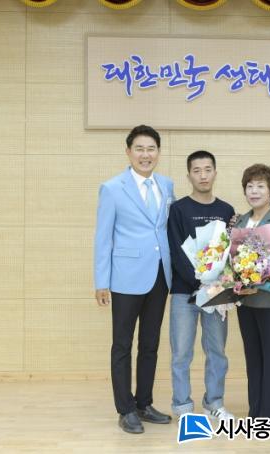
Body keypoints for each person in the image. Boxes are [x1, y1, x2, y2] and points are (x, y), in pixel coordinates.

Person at [94, 125, 174, 434]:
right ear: (128, 152)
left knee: (150, 344)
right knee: (122, 345)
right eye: (139, 148)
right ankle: (125, 409)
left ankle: (144, 403)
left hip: (160, 275)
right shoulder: (112, 188)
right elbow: (103, 238)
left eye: (151, 148)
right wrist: (101, 281)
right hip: (125, 277)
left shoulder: (166, 185)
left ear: (158, 152)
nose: (145, 154)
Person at [167, 150, 235, 421]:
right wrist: (199, 281)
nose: (203, 175)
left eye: (207, 169)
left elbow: (230, 252)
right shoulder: (178, 209)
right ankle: (183, 407)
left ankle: (214, 403)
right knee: (181, 353)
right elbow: (176, 251)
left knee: (217, 350)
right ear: (189, 176)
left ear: (215, 173)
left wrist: (217, 283)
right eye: (197, 170)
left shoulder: (226, 210)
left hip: (218, 293)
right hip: (184, 292)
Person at [233, 164, 270, 418]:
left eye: (260, 186)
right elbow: (233, 259)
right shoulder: (240, 221)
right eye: (250, 186)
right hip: (245, 303)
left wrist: (258, 285)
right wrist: (234, 283)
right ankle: (255, 411)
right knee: (253, 358)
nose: (254, 191)